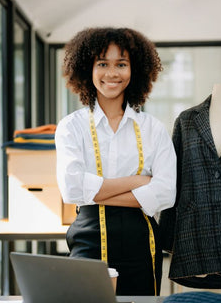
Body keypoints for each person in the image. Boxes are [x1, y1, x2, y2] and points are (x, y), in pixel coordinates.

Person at [55, 27, 177, 296]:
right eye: (102, 64)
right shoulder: (71, 127)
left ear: (135, 71)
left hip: (142, 244)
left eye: (121, 64)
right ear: (87, 69)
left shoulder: (153, 129)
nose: (112, 73)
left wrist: (95, 191)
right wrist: (138, 182)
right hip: (88, 240)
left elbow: (166, 193)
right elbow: (71, 190)